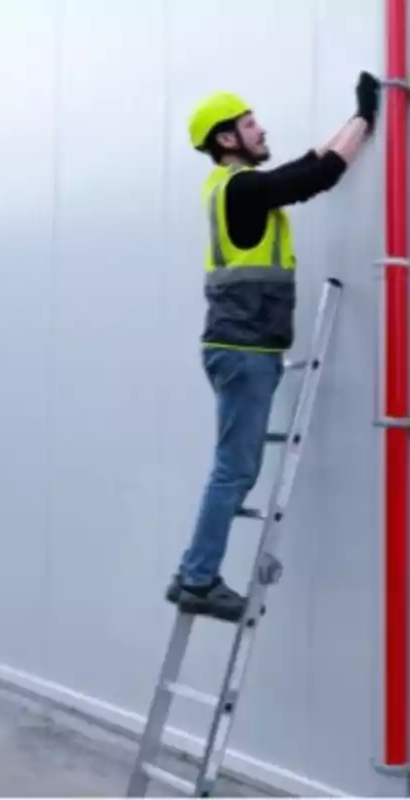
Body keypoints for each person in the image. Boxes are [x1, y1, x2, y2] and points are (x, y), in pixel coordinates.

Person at [167, 73, 381, 623]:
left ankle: (194, 571)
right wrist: (366, 117)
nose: (261, 129)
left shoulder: (231, 190)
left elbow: (310, 161)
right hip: (244, 351)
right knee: (234, 471)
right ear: (228, 140)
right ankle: (197, 578)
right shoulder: (241, 189)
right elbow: (321, 175)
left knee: (231, 466)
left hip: (234, 348)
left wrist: (357, 119)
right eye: (249, 124)